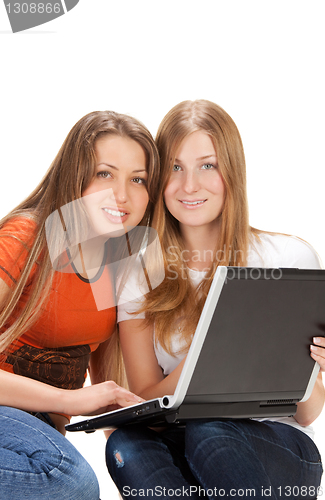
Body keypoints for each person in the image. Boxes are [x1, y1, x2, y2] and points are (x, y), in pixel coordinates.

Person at [106, 100, 325, 499]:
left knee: (209, 429)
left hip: (279, 450)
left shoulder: (288, 259)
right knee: (125, 446)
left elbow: (309, 411)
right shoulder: (138, 273)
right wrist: (212, 350)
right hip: (180, 439)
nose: (189, 185)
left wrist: (310, 367)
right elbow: (147, 402)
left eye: (207, 165)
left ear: (232, 172)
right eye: (175, 167)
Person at [0, 110, 160, 499]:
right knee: (70, 480)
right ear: (76, 174)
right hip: (13, 419)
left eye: (137, 179)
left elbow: (107, 389)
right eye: (105, 174)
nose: (121, 195)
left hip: (36, 433)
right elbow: (80, 399)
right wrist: (69, 400)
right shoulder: (27, 237)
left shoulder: (118, 259)